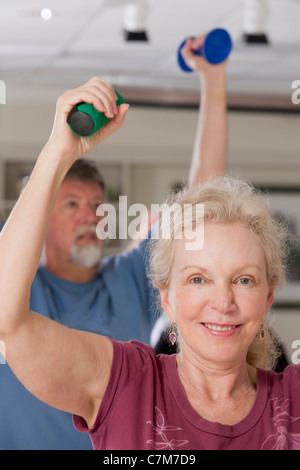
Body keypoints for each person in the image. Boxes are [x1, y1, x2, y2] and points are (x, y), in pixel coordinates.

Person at [0, 85, 298, 448]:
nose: (223, 301)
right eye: (199, 279)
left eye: (244, 279)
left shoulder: (291, 399)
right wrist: (58, 152)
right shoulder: (127, 381)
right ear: (167, 297)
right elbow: (6, 317)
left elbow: (200, 206)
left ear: (269, 298)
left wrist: (212, 79)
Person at [0, 35, 229, 450]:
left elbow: (202, 198)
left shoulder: (131, 276)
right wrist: (60, 152)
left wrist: (213, 81)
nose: (90, 215)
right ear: (43, 220)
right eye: (71, 204)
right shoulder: (23, 288)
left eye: (96, 204)